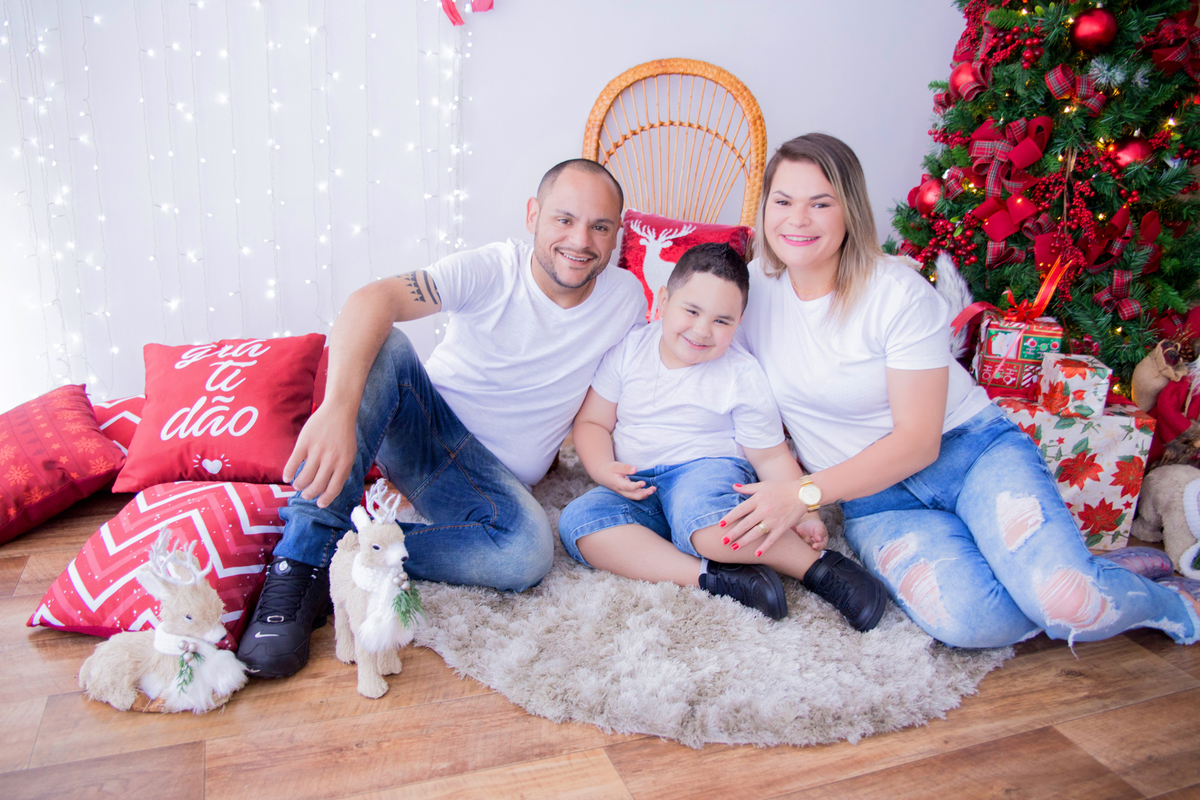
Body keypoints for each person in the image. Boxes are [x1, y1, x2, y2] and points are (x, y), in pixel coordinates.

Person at [718, 132, 1200, 648]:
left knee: (1068, 603)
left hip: (968, 453)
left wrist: (804, 493)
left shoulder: (895, 292)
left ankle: (1176, 604)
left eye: (820, 203)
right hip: (876, 499)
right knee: (976, 625)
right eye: (783, 201)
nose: (797, 219)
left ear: (850, 211)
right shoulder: (748, 293)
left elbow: (918, 441)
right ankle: (1095, 574)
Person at [237, 159, 649, 677]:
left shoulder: (626, 299)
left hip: (485, 484)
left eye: (600, 226)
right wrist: (337, 409)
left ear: (616, 235)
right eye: (564, 219)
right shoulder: (493, 269)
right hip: (423, 429)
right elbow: (373, 299)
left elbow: (620, 391)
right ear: (533, 215)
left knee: (526, 554)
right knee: (385, 340)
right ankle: (299, 560)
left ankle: (351, 557)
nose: (581, 239)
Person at [559, 242, 889, 631]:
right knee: (579, 523)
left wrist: (805, 510)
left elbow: (769, 457)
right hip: (638, 485)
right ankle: (713, 577)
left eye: (722, 321)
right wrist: (602, 469)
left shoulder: (741, 374)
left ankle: (819, 569)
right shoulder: (629, 351)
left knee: (703, 520)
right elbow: (593, 423)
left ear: (739, 321)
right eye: (692, 311)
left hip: (705, 475)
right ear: (663, 300)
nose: (702, 330)